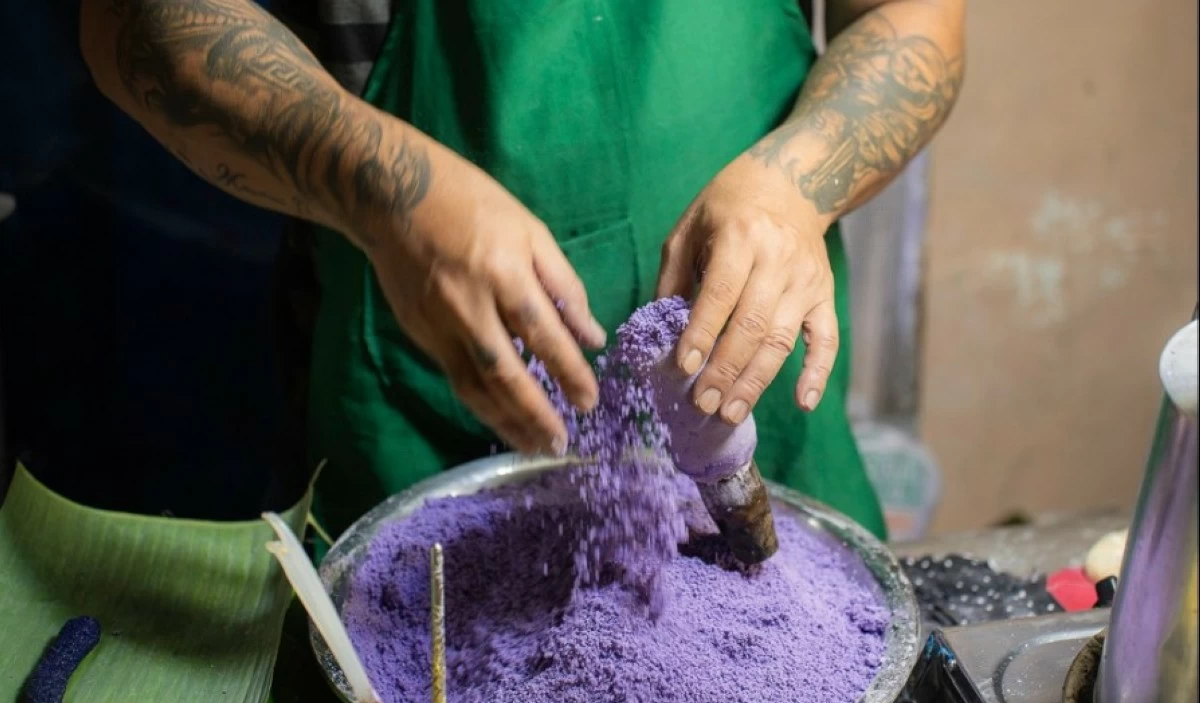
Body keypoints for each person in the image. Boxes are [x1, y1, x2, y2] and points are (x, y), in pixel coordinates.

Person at [79, 0, 965, 543]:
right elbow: (137, 19)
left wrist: (799, 183)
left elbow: (913, 14)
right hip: (423, 429)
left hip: (756, 383)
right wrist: (386, 188)